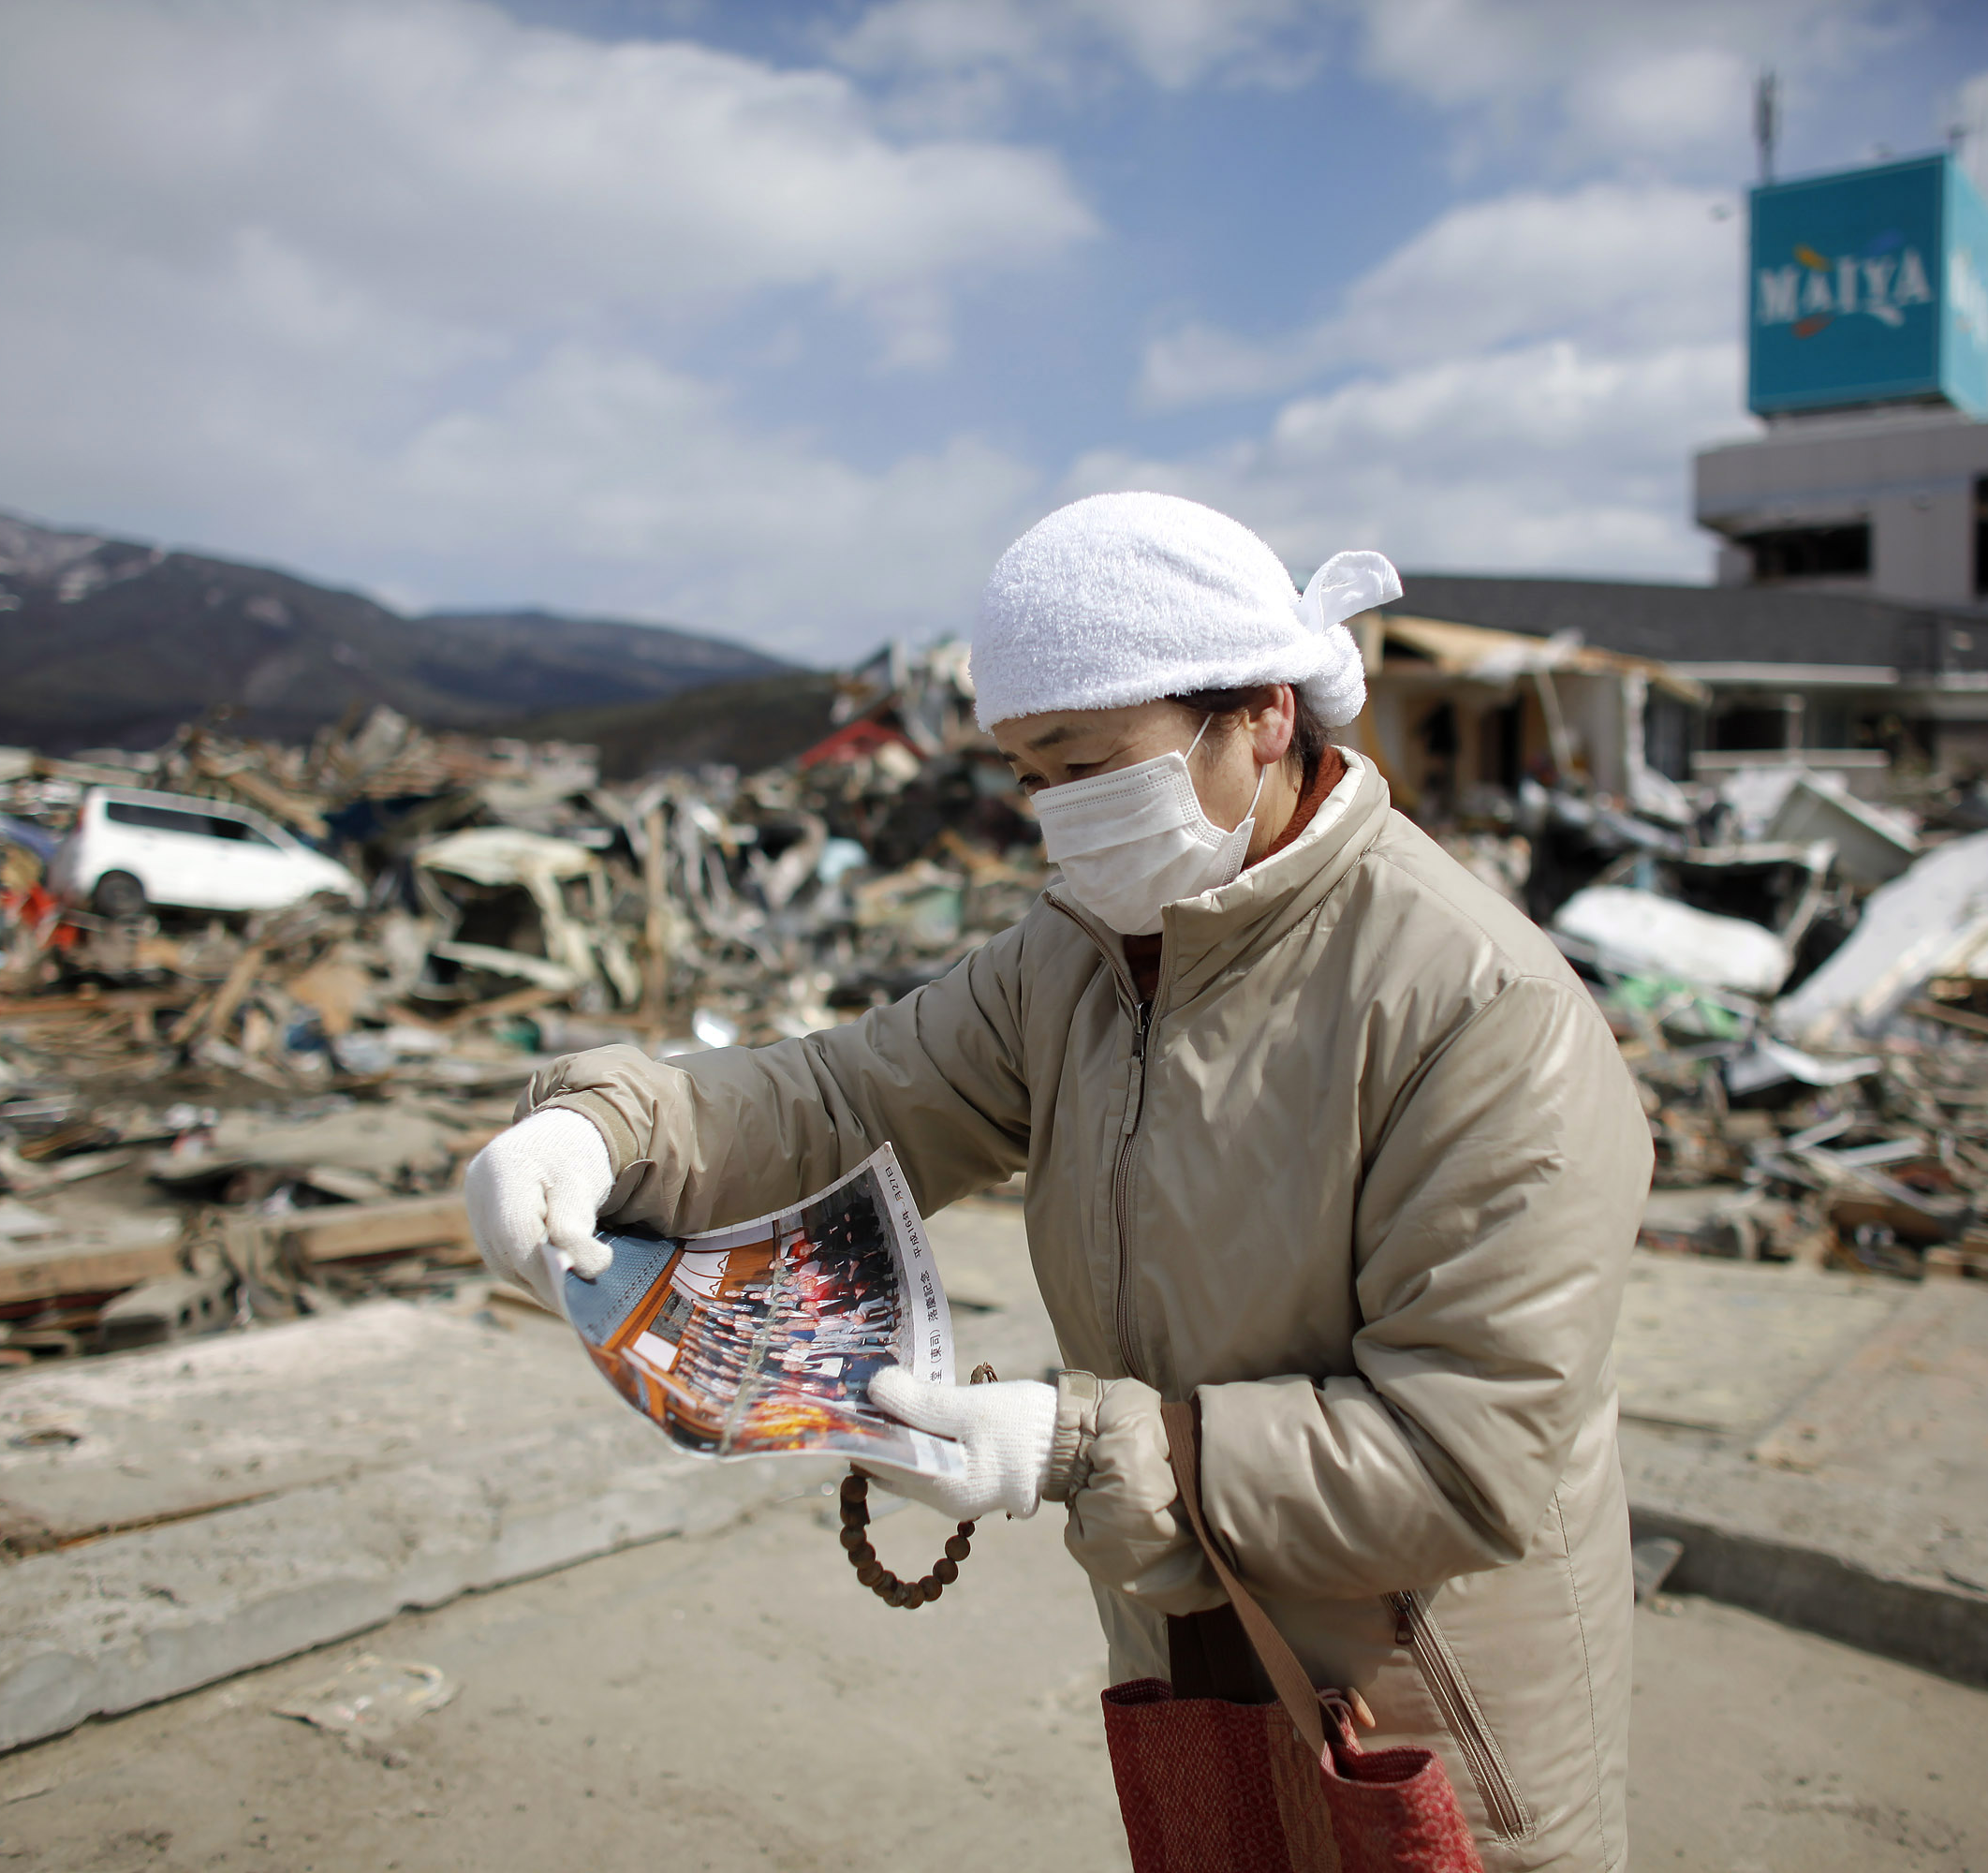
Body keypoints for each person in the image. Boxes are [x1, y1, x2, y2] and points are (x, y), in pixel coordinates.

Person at [466, 492, 1650, 1871]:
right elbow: (857, 1095)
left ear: (1260, 718)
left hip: (1424, 1713)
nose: (1057, 815)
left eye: (1088, 761)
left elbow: (1469, 1455)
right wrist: (606, 1126)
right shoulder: (1081, 959)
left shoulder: (1474, 1006)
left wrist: (1079, 1446)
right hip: (1195, 1650)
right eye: (1028, 775)